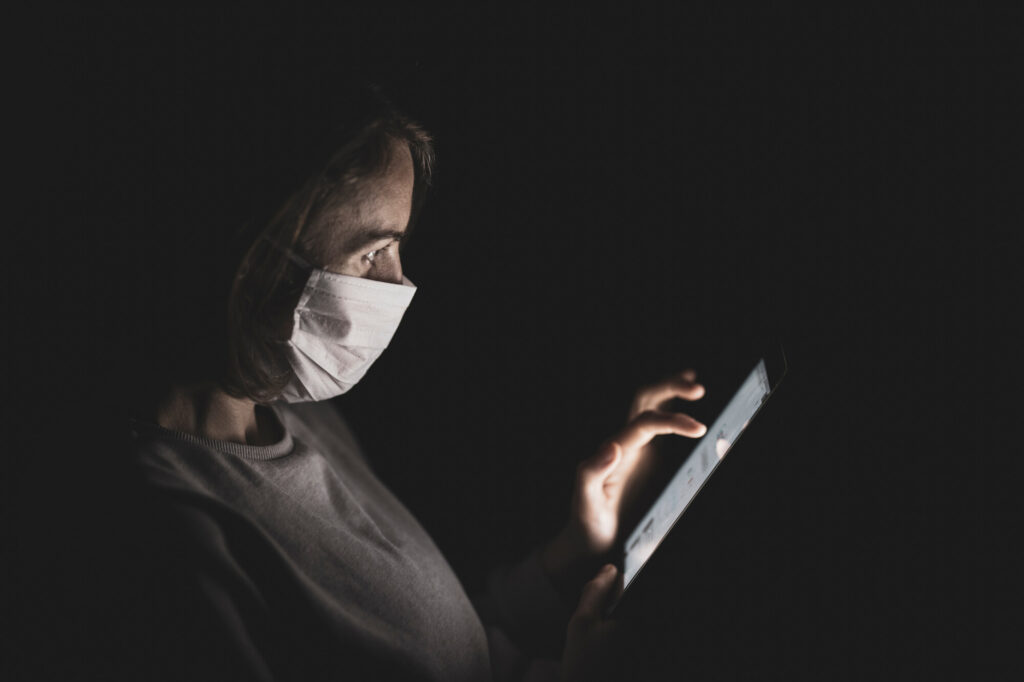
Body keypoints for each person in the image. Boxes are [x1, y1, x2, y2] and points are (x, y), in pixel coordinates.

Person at [118, 86, 709, 682]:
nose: (399, 285)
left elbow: (437, 659)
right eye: (376, 252)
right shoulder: (167, 531)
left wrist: (574, 552)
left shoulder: (298, 413)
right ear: (254, 255)